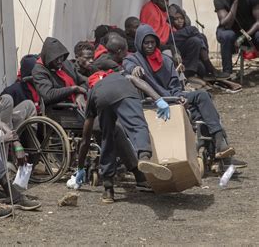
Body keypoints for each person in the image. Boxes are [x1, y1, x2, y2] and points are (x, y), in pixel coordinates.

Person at [123, 24, 246, 168]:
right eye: (146, 43)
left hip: (174, 98)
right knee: (201, 113)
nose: (150, 46)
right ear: (139, 43)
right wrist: (134, 69)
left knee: (203, 96)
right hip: (155, 103)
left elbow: (174, 84)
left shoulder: (165, 60)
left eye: (152, 42)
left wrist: (179, 96)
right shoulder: (134, 60)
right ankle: (221, 152)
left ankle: (219, 142)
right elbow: (127, 66)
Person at [78, 64, 172, 203]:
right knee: (137, 126)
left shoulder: (93, 90)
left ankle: (108, 190)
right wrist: (158, 99)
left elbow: (85, 139)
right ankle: (144, 157)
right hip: (124, 90)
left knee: (107, 139)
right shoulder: (119, 76)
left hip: (101, 97)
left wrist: (80, 167)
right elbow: (137, 80)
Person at [169, 4, 232, 80]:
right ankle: (209, 67)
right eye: (176, 19)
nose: (180, 21)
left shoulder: (185, 28)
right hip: (181, 58)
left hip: (194, 58)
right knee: (194, 35)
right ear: (172, 20)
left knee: (201, 37)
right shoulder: (171, 29)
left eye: (181, 18)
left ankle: (207, 67)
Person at [214, 0, 259, 76]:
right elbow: (226, 25)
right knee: (226, 35)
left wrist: (244, 36)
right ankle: (227, 73)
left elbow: (258, 21)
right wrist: (235, 2)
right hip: (230, 34)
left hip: (249, 32)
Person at [32, 37, 88, 111]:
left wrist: (79, 94)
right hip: (60, 109)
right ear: (49, 58)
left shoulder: (66, 63)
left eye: (61, 57)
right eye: (55, 59)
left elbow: (84, 81)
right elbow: (48, 95)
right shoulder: (39, 70)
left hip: (77, 103)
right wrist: (73, 89)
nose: (59, 61)